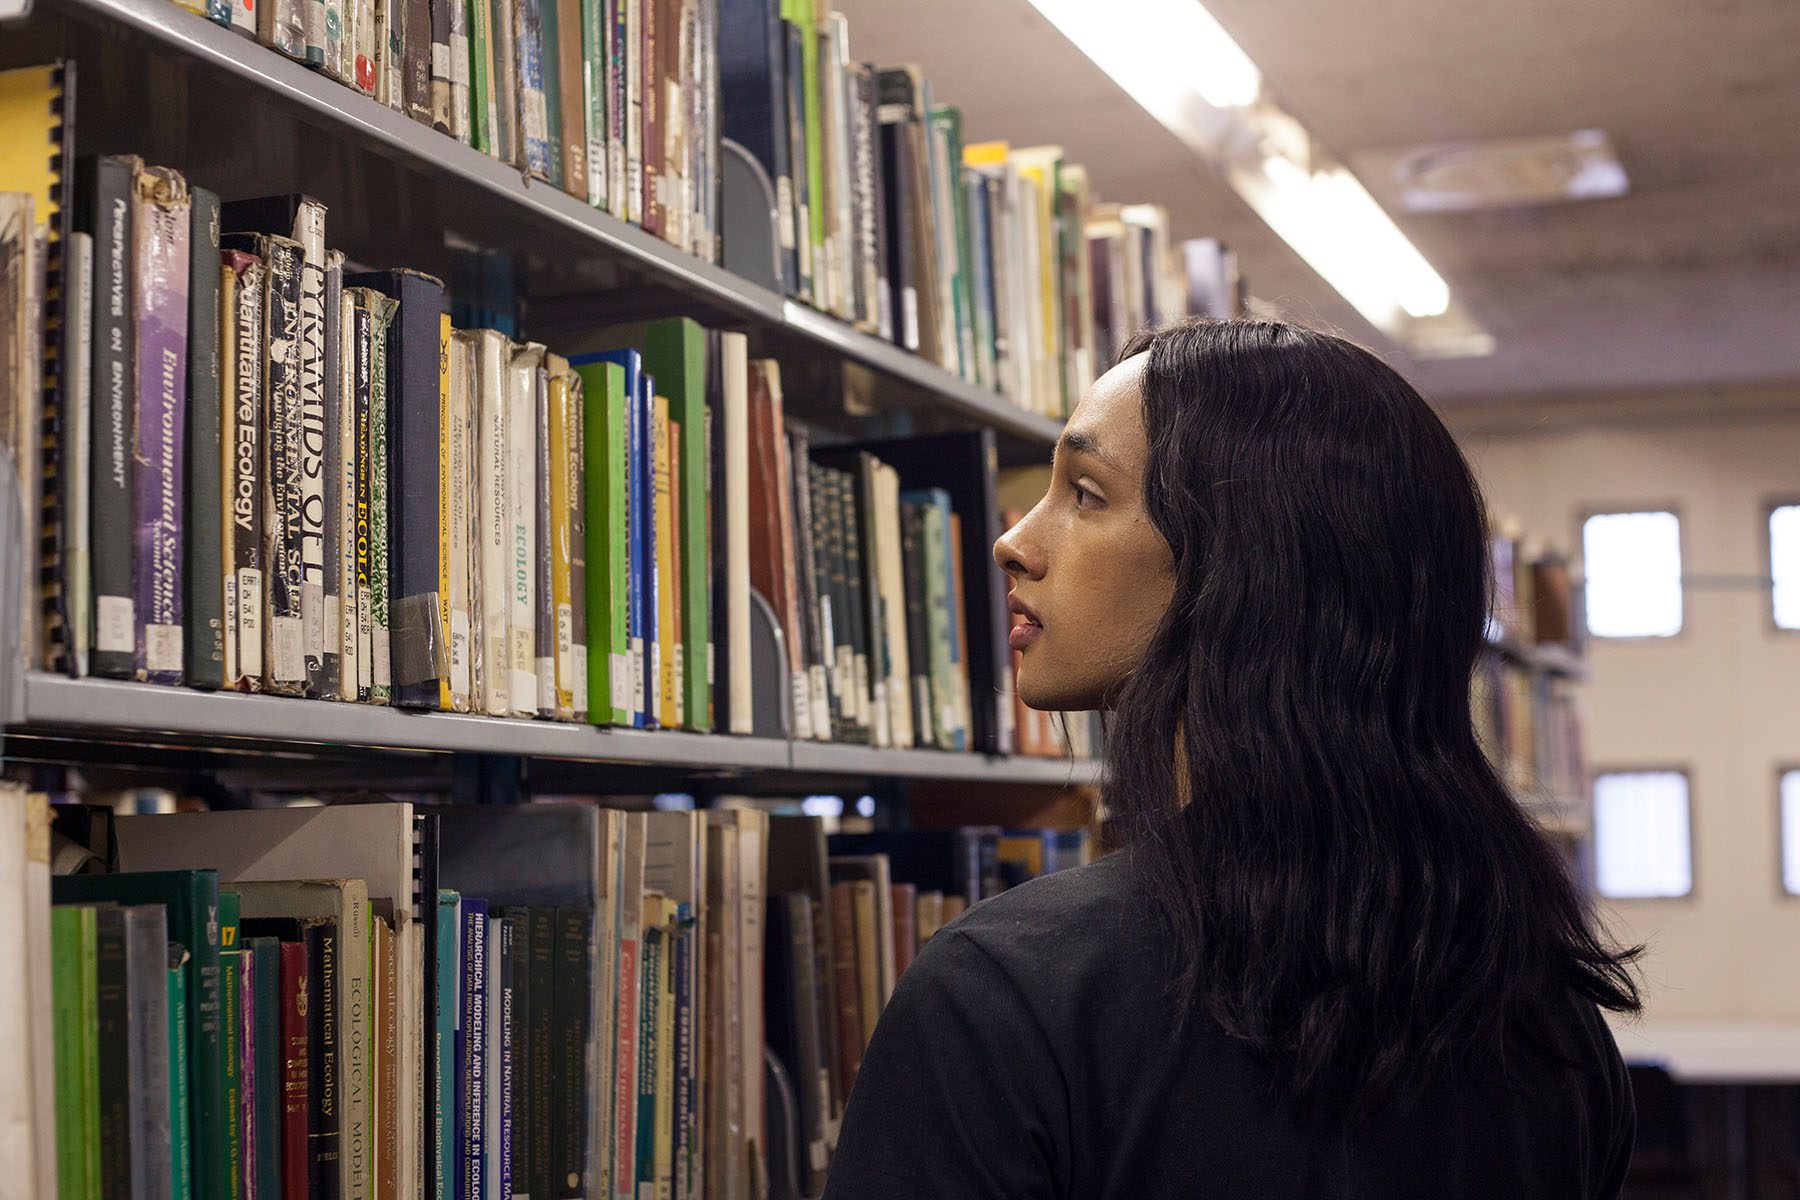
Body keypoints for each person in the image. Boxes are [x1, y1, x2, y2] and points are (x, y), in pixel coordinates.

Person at [820, 319, 1642, 1199]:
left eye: (1085, 494)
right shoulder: (1553, 1023)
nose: (1014, 541)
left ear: (1243, 568)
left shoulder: (1005, 997)